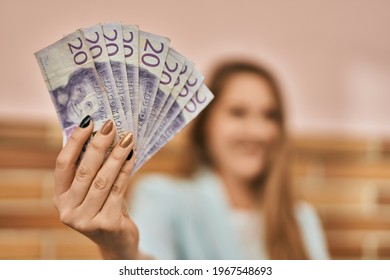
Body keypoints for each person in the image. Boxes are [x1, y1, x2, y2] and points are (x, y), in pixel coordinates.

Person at [53, 60, 329, 260]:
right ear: (206, 125)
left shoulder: (301, 219)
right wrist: (120, 250)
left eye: (270, 115)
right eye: (238, 113)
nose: (257, 131)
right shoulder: (164, 197)